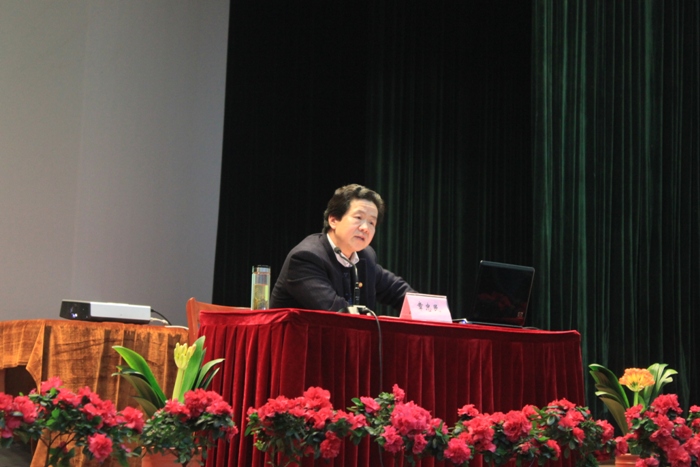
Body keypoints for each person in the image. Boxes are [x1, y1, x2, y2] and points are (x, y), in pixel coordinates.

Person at [270, 184, 414, 312]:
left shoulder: (365, 256)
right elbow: (335, 311)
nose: (365, 228)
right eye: (358, 218)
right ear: (333, 220)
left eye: (372, 222)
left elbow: (396, 290)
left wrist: (424, 308)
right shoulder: (306, 257)